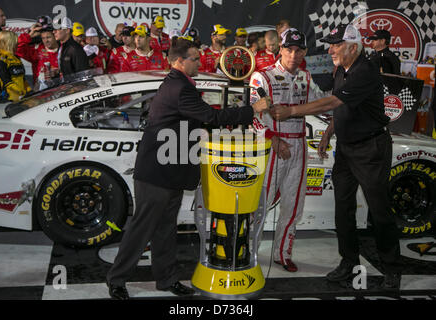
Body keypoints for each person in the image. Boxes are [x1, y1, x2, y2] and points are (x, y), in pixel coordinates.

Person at [106, 39, 271, 300]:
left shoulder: (179, 84)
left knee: (165, 229)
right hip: (157, 173)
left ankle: (167, 279)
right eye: (195, 58)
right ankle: (116, 280)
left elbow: (195, 119)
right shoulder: (180, 88)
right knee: (142, 229)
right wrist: (252, 110)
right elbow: (212, 117)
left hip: (169, 170)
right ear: (180, 61)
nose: (199, 61)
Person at [269, 24, 402, 290]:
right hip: (346, 147)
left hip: (371, 149)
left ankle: (392, 270)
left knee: (379, 211)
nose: (330, 49)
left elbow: (332, 102)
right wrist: (330, 130)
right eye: (330, 44)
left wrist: (292, 111)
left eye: (336, 44)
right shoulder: (342, 67)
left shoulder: (364, 71)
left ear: (353, 47)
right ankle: (348, 262)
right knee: (343, 208)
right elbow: (342, 107)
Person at [249, 29, 325, 273]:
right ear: (280, 49)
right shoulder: (262, 77)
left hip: (299, 145)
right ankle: (247, 253)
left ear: (304, 52)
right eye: (289, 49)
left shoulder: (306, 76)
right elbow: (254, 116)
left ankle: (283, 253)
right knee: (262, 204)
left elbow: (320, 105)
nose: (293, 55)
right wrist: (274, 140)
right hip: (272, 147)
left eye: (299, 50)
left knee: (294, 205)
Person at [16, 16, 59, 89]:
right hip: (41, 93)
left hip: (61, 90)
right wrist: (29, 35)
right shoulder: (37, 51)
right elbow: (17, 49)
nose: (46, 41)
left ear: (55, 35)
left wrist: (58, 71)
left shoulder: (64, 49)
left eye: (48, 37)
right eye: (43, 38)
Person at [0, 30, 31, 102]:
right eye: (15, 41)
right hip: (10, 99)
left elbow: (22, 78)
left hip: (22, 97)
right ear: (8, 42)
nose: (17, 43)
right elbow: (6, 81)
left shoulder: (16, 57)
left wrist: (29, 90)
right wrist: (19, 91)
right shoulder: (0, 59)